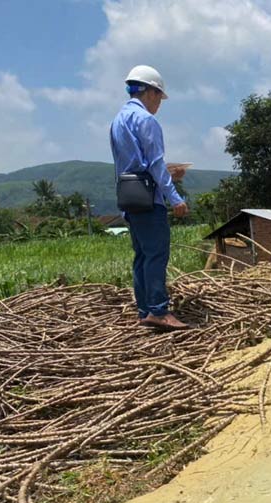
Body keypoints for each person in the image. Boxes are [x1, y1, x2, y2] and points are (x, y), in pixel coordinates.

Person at [110, 65, 189, 331]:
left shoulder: (118, 121)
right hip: (149, 199)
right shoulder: (147, 121)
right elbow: (154, 164)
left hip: (129, 197)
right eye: (159, 97)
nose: (159, 104)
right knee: (156, 254)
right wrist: (175, 197)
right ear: (152, 92)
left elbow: (130, 165)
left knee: (142, 256)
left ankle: (145, 310)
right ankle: (158, 311)